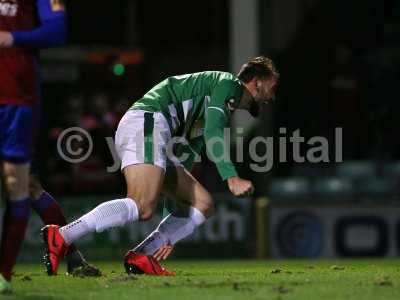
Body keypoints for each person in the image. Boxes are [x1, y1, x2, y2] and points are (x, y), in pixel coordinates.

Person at [42, 56, 279, 276]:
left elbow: (186, 155)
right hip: (147, 121)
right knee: (142, 205)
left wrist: (168, 234)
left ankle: (142, 256)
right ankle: (62, 235)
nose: (273, 95)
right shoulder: (229, 84)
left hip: (153, 129)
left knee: (202, 204)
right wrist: (231, 177)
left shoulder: (215, 99)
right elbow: (212, 132)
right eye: (272, 86)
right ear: (257, 82)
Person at [0, 0, 98, 293]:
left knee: (25, 185)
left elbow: (56, 31)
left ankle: (69, 252)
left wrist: (13, 38)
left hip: (17, 100)